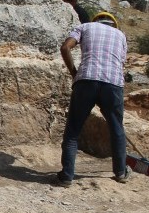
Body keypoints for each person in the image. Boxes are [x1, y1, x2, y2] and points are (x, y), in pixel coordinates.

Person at [54, 10, 129, 187]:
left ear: (96, 21)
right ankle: (121, 172)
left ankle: (66, 176)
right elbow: (121, 62)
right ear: (113, 24)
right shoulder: (121, 35)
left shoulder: (84, 27)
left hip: (86, 80)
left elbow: (65, 47)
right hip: (113, 83)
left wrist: (74, 73)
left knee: (73, 130)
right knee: (117, 129)